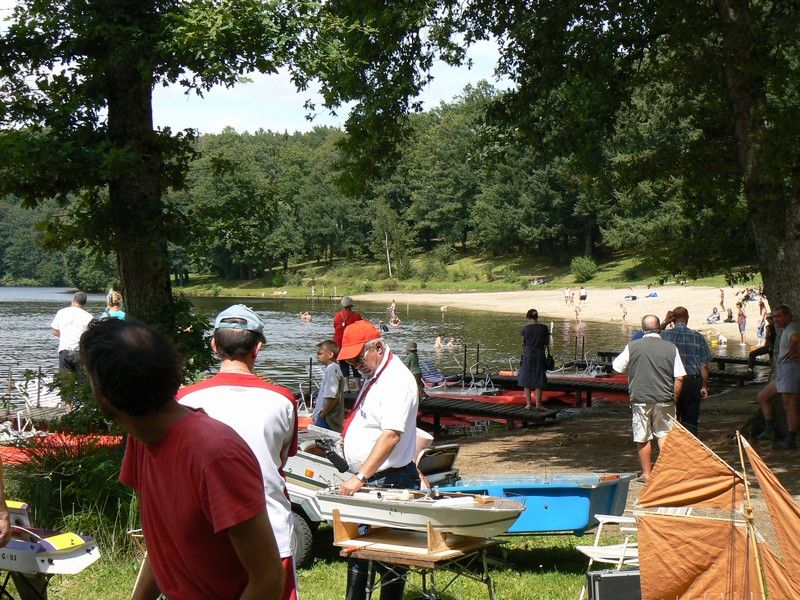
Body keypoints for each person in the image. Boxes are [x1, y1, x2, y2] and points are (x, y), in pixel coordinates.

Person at [79, 318, 284, 600]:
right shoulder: (142, 437)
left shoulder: (216, 455)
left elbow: (268, 580)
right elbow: (163, 544)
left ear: (105, 397)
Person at [175, 305, 299, 599]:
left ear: (214, 345)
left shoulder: (184, 400)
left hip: (204, 537)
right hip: (270, 534)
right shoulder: (283, 400)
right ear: (258, 348)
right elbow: (281, 459)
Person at [336, 320, 419, 600]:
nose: (356, 365)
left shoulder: (397, 380)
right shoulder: (377, 375)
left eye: (359, 359)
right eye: (351, 361)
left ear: (378, 347)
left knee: (389, 558)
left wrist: (360, 477)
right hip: (376, 477)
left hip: (388, 480)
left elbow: (392, 435)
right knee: (359, 550)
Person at [612, 315, 686, 481]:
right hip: (665, 397)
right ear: (659, 328)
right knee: (664, 434)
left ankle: (647, 474)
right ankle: (665, 473)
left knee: (642, 436)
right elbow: (680, 377)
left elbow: (617, 367)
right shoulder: (671, 347)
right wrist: (674, 398)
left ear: (642, 329)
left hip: (640, 397)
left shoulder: (633, 346)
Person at [660, 307, 711, 436]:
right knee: (691, 419)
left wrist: (665, 322)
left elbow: (649, 336)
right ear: (687, 318)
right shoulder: (698, 337)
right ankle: (691, 447)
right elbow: (703, 365)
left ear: (673, 318)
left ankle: (673, 447)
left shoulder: (665, 335)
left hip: (670, 380)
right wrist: (704, 385)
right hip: (692, 381)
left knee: (670, 416)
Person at [756, 305, 800, 449]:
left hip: (789, 369)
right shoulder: (786, 329)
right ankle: (769, 430)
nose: (775, 319)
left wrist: (793, 353)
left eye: (779, 316)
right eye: (774, 317)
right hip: (782, 371)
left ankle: (791, 439)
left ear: (788, 316)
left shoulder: (792, 327)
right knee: (762, 396)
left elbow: (795, 339)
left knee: (789, 404)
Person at [51, 291, 93, 373]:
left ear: (73, 300)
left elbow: (55, 332)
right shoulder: (89, 316)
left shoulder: (61, 312)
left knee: (65, 381)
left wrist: (65, 334)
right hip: (80, 351)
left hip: (65, 350)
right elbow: (90, 336)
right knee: (82, 380)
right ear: (84, 303)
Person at [518, 309, 550, 410]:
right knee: (539, 378)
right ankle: (538, 404)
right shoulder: (544, 328)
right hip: (539, 354)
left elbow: (523, 342)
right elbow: (547, 342)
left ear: (528, 317)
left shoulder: (525, 328)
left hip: (528, 354)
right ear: (537, 317)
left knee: (526, 378)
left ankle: (528, 404)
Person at [313, 339, 345, 432]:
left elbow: (332, 398)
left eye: (320, 354)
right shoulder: (333, 369)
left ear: (330, 354)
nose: (317, 356)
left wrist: (322, 416)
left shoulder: (331, 370)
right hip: (326, 419)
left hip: (328, 420)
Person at [334, 296, 362, 389]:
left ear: (342, 305)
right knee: (355, 364)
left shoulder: (338, 315)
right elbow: (360, 328)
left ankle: (346, 387)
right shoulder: (356, 315)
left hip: (340, 343)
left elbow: (335, 326)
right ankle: (358, 386)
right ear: (351, 305)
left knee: (343, 364)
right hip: (352, 344)